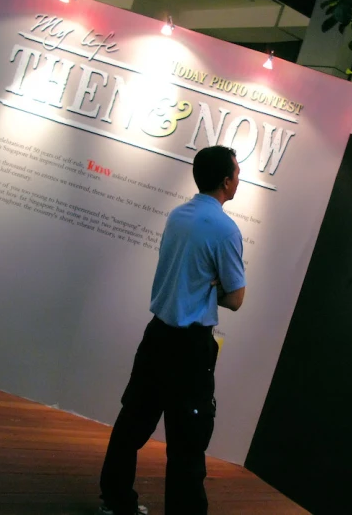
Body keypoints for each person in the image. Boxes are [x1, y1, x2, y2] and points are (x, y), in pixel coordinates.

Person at [98, 145, 246, 515]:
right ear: (227, 182)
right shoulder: (226, 230)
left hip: (157, 336)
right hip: (191, 347)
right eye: (237, 174)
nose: (238, 179)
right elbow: (237, 298)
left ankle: (115, 501)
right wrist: (214, 286)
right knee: (187, 443)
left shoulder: (177, 216)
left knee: (132, 422)